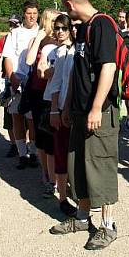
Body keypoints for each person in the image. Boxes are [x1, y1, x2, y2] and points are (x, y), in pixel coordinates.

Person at [49, 0, 119, 250]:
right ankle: (81, 217)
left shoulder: (102, 25)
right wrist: (68, 105)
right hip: (79, 110)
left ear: (70, 4)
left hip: (98, 111)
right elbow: (78, 73)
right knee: (77, 164)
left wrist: (96, 107)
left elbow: (108, 68)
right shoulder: (83, 28)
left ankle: (108, 226)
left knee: (100, 165)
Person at [1, 1, 40, 168]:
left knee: (32, 120)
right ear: (24, 14)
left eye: (34, 13)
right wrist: (12, 77)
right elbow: (8, 57)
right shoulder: (15, 33)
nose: (31, 16)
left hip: (34, 82)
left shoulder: (42, 32)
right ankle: (22, 153)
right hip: (17, 80)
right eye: (28, 13)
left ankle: (33, 153)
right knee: (17, 117)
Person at [24, 7, 60, 187]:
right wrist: (38, 38)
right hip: (39, 93)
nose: (56, 25)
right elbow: (29, 61)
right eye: (52, 21)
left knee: (55, 136)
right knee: (42, 135)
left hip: (56, 91)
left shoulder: (62, 40)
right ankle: (45, 172)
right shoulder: (38, 40)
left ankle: (56, 174)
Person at [47, 13, 78, 215]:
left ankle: (78, 193)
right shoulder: (59, 53)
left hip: (78, 110)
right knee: (60, 151)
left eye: (63, 28)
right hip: (62, 109)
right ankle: (63, 197)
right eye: (57, 28)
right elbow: (56, 82)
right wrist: (54, 109)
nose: (60, 32)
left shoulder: (80, 51)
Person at [0, 15, 21, 157]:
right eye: (11, 24)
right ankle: (13, 144)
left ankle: (24, 143)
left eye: (15, 24)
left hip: (21, 80)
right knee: (9, 115)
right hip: (7, 80)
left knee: (23, 114)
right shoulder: (3, 40)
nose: (12, 27)